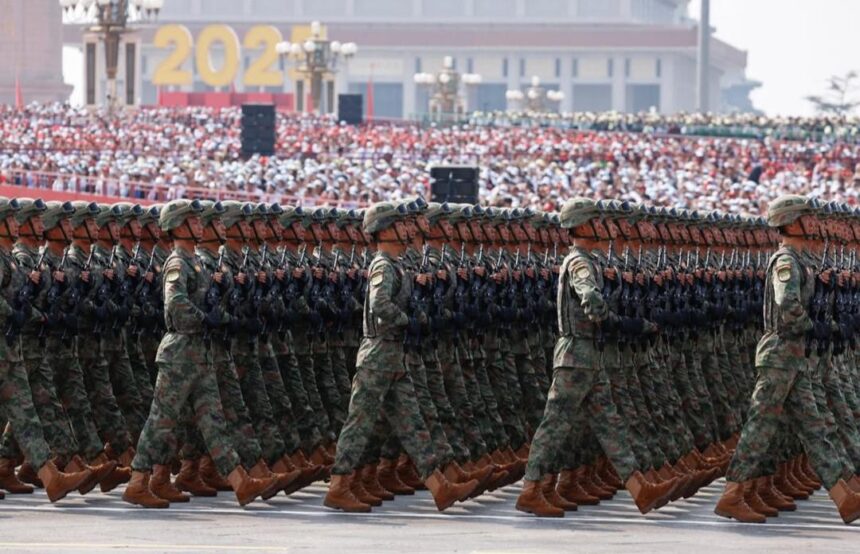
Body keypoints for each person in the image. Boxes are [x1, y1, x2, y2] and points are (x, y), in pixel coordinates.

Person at [516, 197, 679, 517]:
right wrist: (614, 321)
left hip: (589, 355)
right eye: (597, 220)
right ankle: (531, 489)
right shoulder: (579, 261)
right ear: (583, 225)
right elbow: (589, 295)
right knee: (555, 426)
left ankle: (639, 488)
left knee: (610, 423)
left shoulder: (588, 258)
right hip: (577, 354)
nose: (604, 226)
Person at [324, 201, 478, 512]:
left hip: (394, 356)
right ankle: (339, 485)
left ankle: (439, 486)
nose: (407, 229)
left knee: (413, 422)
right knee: (360, 424)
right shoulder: (383, 265)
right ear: (384, 230)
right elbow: (380, 304)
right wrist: (408, 320)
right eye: (399, 224)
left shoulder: (395, 264)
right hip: (379, 354)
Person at [715, 194, 860, 524]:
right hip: (781, 354)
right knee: (761, 425)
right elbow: (787, 303)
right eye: (806, 217)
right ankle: (733, 493)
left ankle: (844, 495)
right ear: (792, 222)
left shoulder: (799, 260)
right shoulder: (786, 262)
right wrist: (814, 327)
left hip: (795, 356)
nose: (813, 223)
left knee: (815, 425)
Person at [123, 199, 276, 509]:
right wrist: (205, 319)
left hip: (199, 351)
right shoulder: (178, 262)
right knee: (161, 420)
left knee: (213, 419)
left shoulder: (196, 262)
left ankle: (240, 482)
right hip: (180, 351)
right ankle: (137, 482)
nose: (200, 224)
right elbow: (175, 305)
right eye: (192, 220)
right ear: (179, 225)